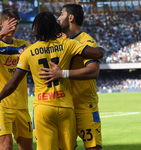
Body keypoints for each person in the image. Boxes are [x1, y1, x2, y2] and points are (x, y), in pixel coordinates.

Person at [0, 12, 105, 150]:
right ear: (55, 27)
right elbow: (98, 53)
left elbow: (12, 84)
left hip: (43, 108)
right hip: (65, 107)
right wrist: (101, 48)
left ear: (36, 29)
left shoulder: (28, 52)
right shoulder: (67, 44)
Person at [39, 4, 103, 150]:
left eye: (61, 14)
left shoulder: (86, 40)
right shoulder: (60, 41)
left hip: (85, 106)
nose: (58, 18)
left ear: (71, 18)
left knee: (93, 148)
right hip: (65, 106)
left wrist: (62, 74)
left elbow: (94, 72)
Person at [0, 8, 33, 150]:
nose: (13, 28)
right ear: (0, 24)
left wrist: (27, 57)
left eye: (15, 24)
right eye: (9, 24)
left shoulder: (24, 45)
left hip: (22, 106)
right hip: (1, 106)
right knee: (7, 147)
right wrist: (2, 33)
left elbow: (36, 64)